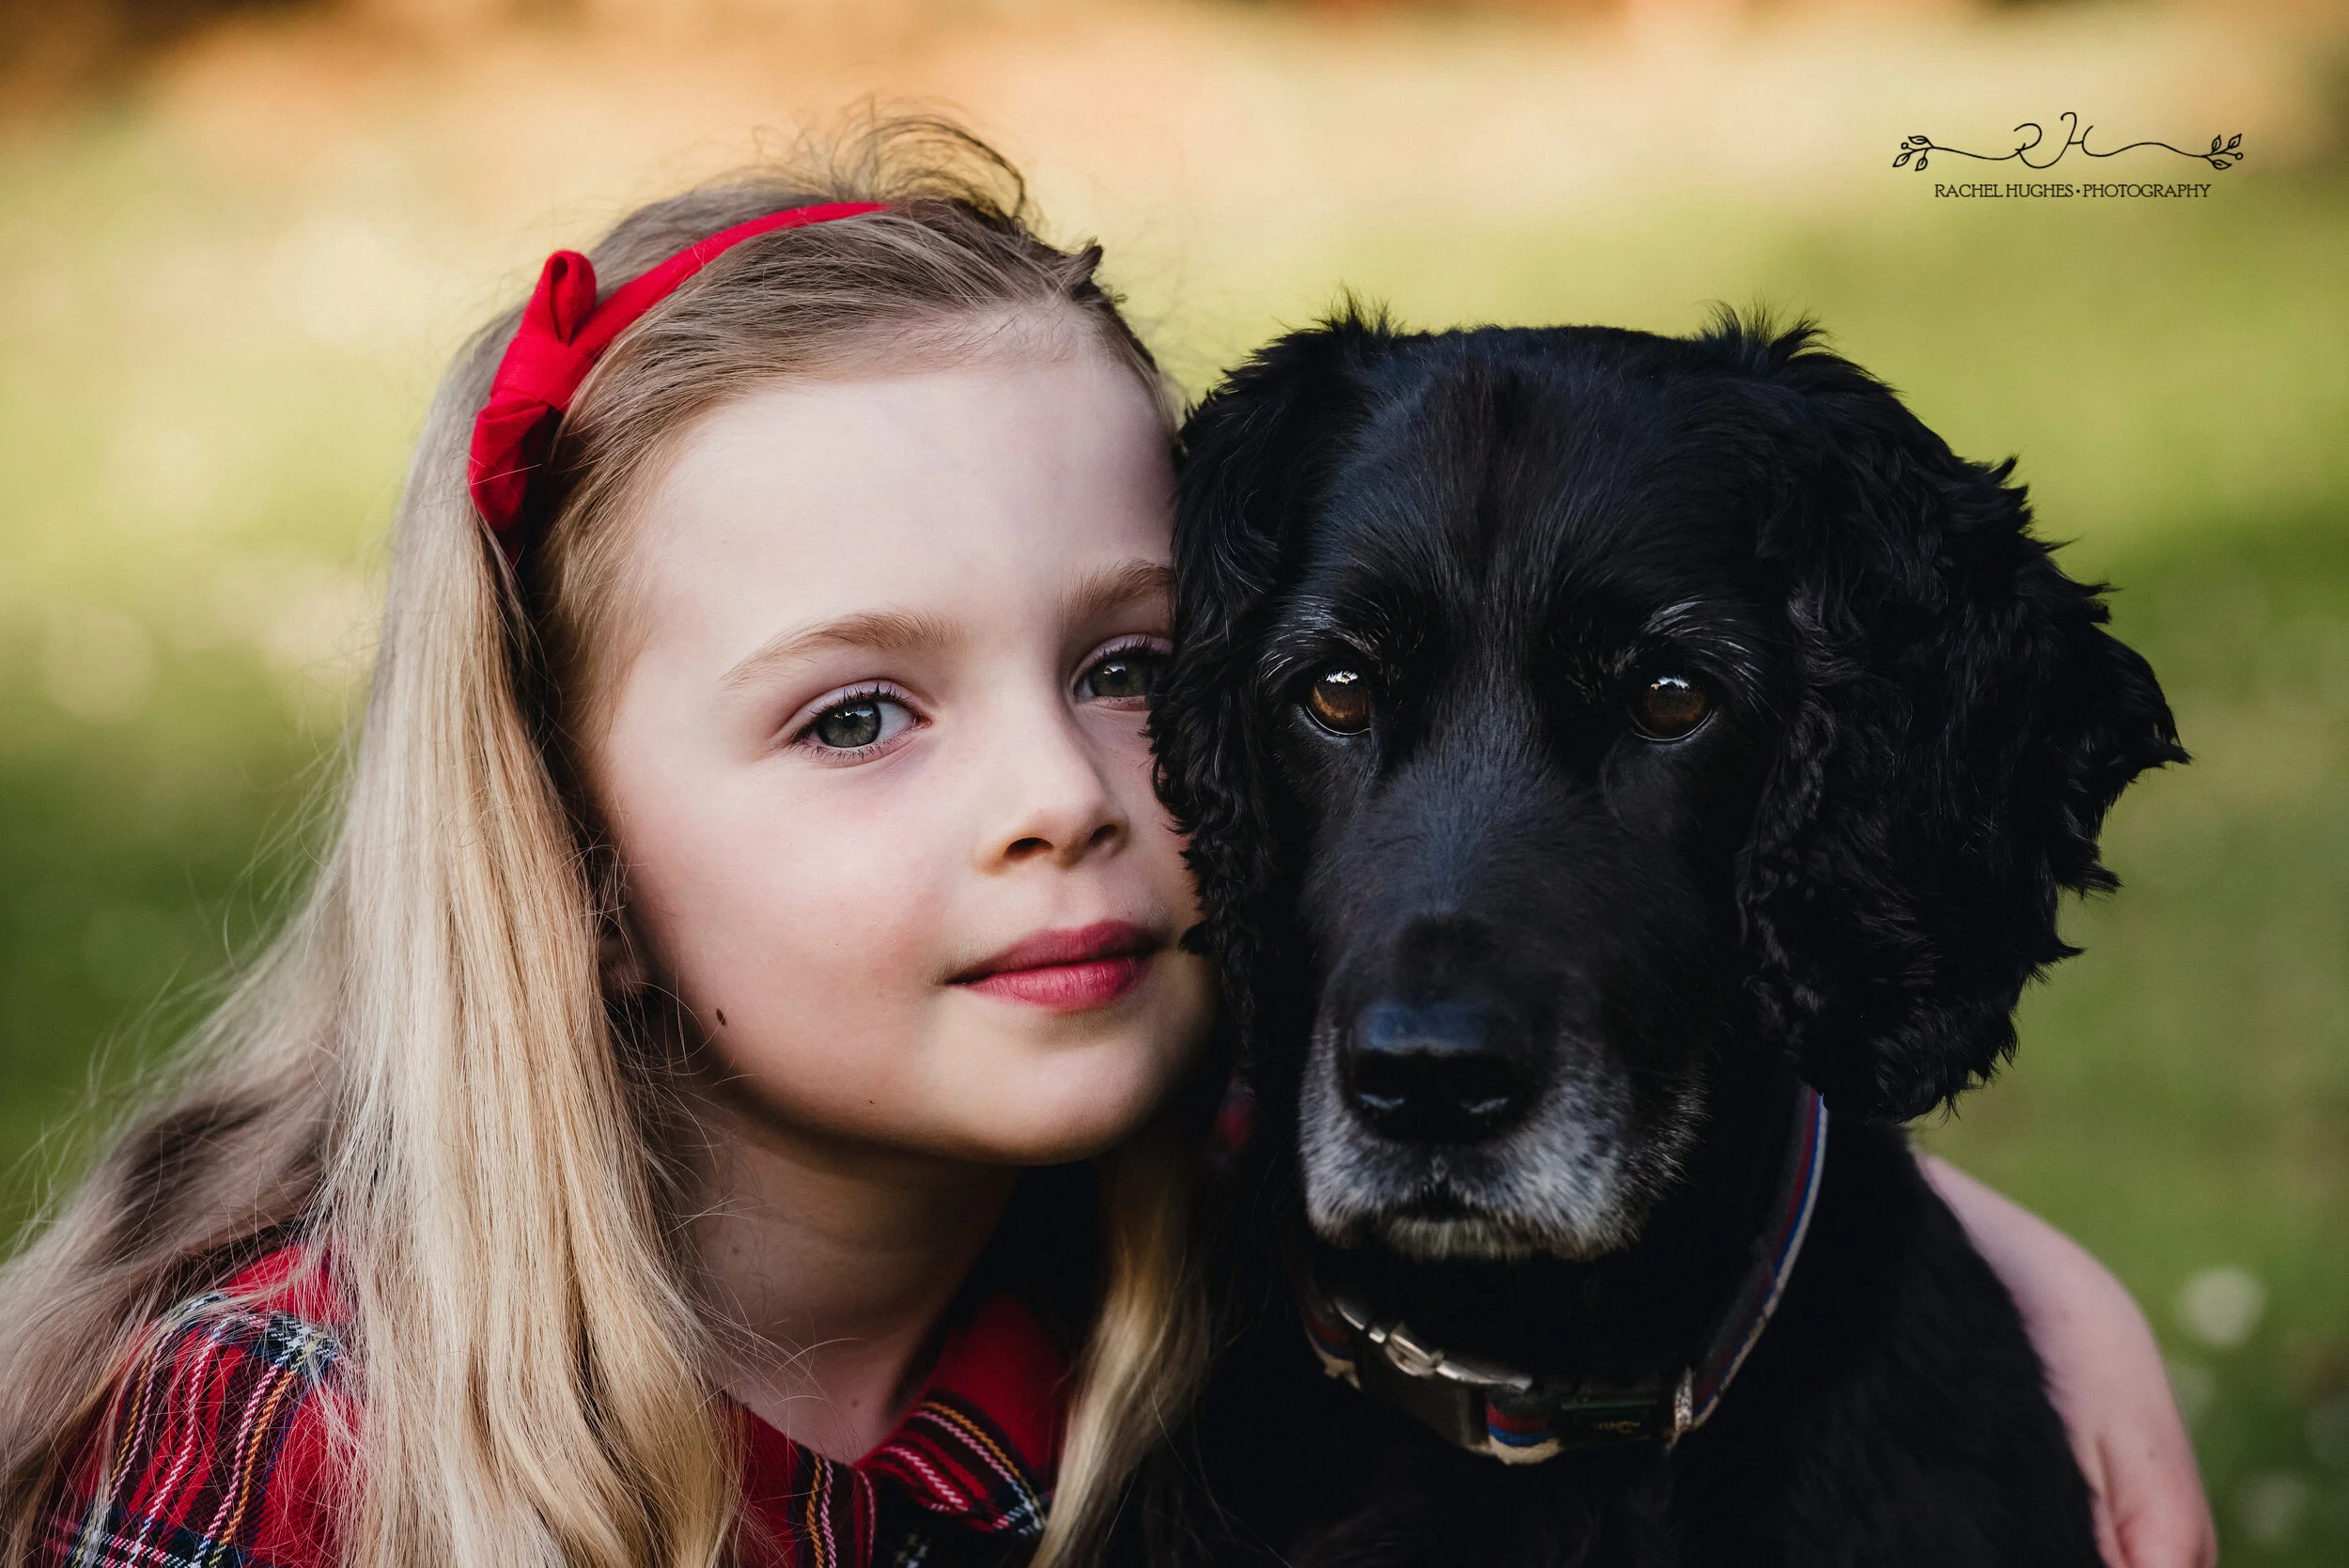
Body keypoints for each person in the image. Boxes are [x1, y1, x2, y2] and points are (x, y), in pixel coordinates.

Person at [0, 118, 2209, 1568]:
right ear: (563, 851)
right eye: (855, 712)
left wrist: (1990, 1258)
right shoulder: (294, 1441)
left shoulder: (1160, 1243)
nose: (1059, 798)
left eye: (1134, 674)